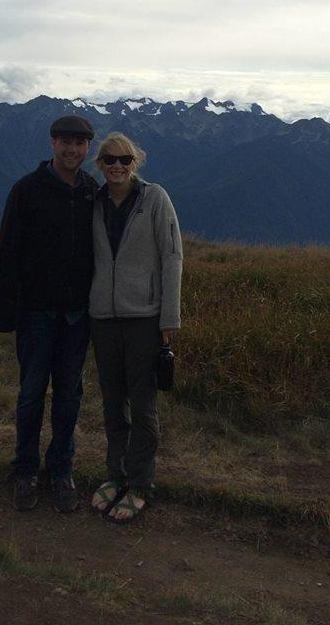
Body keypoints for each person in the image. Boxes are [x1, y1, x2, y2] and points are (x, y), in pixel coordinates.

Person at [0, 114, 98, 513]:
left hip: (76, 315)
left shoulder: (91, 190)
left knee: (69, 396)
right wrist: (5, 315)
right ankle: (25, 470)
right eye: (65, 142)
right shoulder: (27, 191)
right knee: (32, 394)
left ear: (88, 148)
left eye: (80, 143)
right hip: (35, 313)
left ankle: (60, 470)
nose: (73, 149)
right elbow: (8, 254)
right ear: (52, 144)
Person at [87, 132, 183, 523]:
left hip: (144, 317)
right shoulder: (92, 202)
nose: (116, 166)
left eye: (124, 160)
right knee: (113, 404)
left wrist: (169, 318)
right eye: (109, 160)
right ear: (100, 164)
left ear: (135, 163)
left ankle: (140, 483)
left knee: (142, 406)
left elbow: (172, 257)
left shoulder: (155, 198)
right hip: (103, 319)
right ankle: (117, 475)